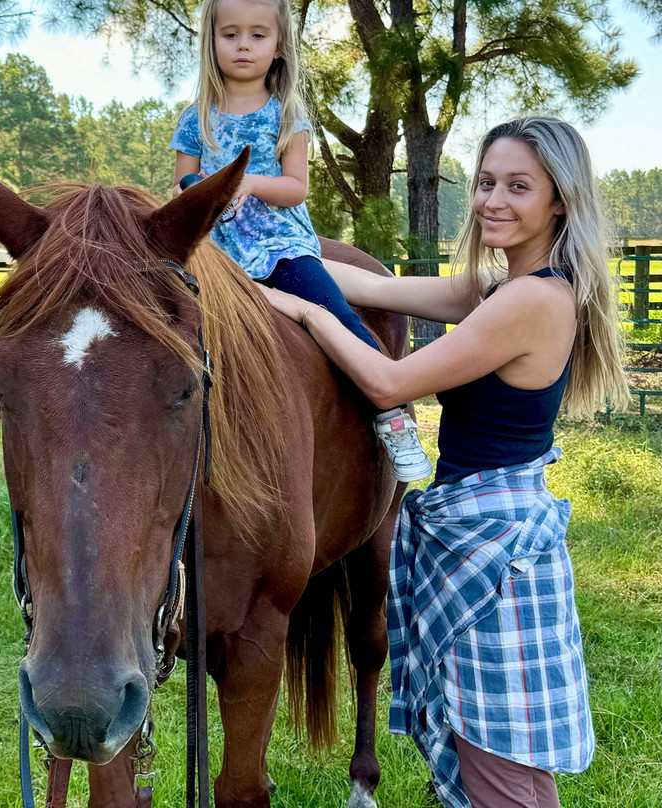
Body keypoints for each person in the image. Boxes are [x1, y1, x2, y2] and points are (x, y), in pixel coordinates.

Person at [260, 117, 630, 808]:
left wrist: (307, 317)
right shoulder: (497, 288)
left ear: (560, 200)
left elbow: (390, 383)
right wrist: (260, 257)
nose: (493, 199)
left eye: (519, 186)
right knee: (484, 747)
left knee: (501, 766)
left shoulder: (530, 301)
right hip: (480, 531)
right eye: (487, 181)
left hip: (496, 546)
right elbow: (371, 288)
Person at [169, 0, 431, 482]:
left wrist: (243, 183)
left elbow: (296, 187)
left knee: (334, 312)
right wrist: (198, 194)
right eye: (229, 35)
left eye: (256, 35)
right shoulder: (195, 117)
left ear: (279, 46)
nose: (243, 45)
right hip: (217, 255)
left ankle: (390, 413)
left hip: (279, 247)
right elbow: (182, 184)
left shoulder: (285, 113)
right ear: (211, 42)